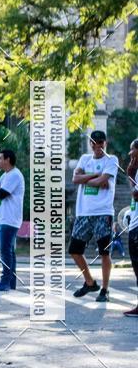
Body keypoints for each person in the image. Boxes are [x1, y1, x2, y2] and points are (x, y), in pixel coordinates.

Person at [69, 130, 119, 303]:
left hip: (102, 212)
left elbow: (100, 181)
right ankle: (90, 282)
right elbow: (75, 179)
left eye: (101, 143)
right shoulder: (84, 159)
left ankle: (104, 290)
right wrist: (96, 176)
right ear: (90, 143)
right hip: (83, 212)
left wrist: (86, 178)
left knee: (104, 252)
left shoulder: (111, 160)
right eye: (94, 142)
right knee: (74, 250)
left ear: (105, 143)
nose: (98, 146)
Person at [0, 149, 25, 291]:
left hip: (10, 219)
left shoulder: (15, 175)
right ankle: (11, 282)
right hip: (3, 218)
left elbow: (1, 194)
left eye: (0, 158)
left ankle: (5, 281)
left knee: (5, 251)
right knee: (9, 251)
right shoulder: (6, 175)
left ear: (7, 159)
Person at [123, 138, 138, 317]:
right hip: (134, 223)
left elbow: (136, 195)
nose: (130, 153)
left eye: (132, 150)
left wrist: (130, 173)